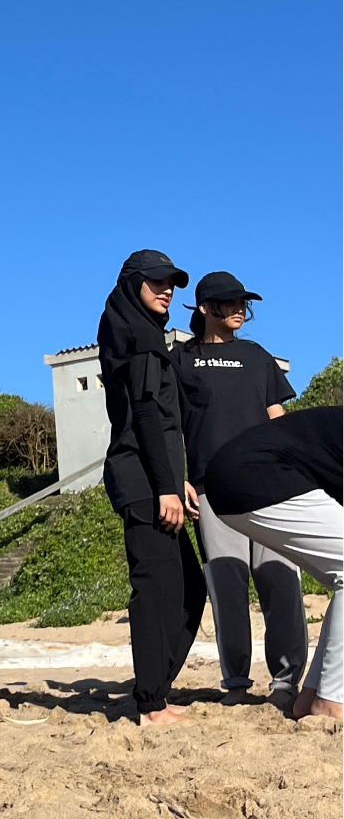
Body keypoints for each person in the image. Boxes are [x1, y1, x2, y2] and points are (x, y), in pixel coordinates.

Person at [171, 271, 304, 704]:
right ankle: (236, 683)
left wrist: (297, 466)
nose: (239, 311)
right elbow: (171, 426)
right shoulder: (182, 360)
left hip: (270, 483)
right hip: (213, 487)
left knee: (280, 579)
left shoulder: (257, 356)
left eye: (243, 304)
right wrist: (178, 479)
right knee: (227, 584)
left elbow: (276, 414)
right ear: (205, 308)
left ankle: (285, 681)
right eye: (229, 304)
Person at [97, 250, 206, 726]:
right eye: (157, 282)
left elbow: (161, 421)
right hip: (140, 479)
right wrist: (164, 487)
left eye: (173, 284)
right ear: (132, 283)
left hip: (154, 475)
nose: (167, 290)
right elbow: (142, 415)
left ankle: (155, 689)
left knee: (189, 587)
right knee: (156, 589)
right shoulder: (138, 336)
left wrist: (176, 475)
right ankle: (150, 702)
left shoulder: (140, 330)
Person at [204, 407, 344, 719]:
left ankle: (310, 698)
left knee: (342, 576)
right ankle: (332, 704)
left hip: (233, 476)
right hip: (253, 472)